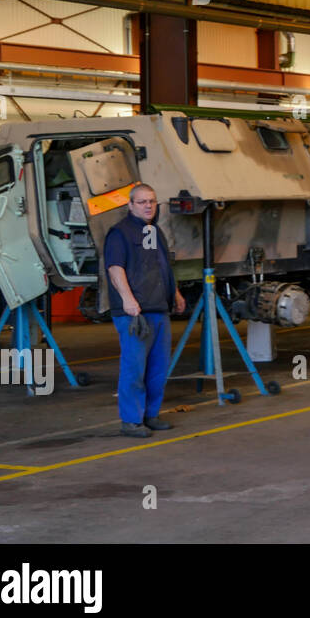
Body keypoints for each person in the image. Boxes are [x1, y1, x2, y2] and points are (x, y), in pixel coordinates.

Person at [105, 183, 185, 437]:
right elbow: (115, 269)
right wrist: (128, 300)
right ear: (130, 205)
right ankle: (131, 421)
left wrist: (175, 293)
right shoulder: (120, 233)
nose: (148, 205)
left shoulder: (153, 231)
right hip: (135, 313)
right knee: (134, 368)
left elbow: (159, 265)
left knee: (158, 369)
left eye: (151, 201)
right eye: (142, 202)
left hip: (158, 308)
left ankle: (150, 415)